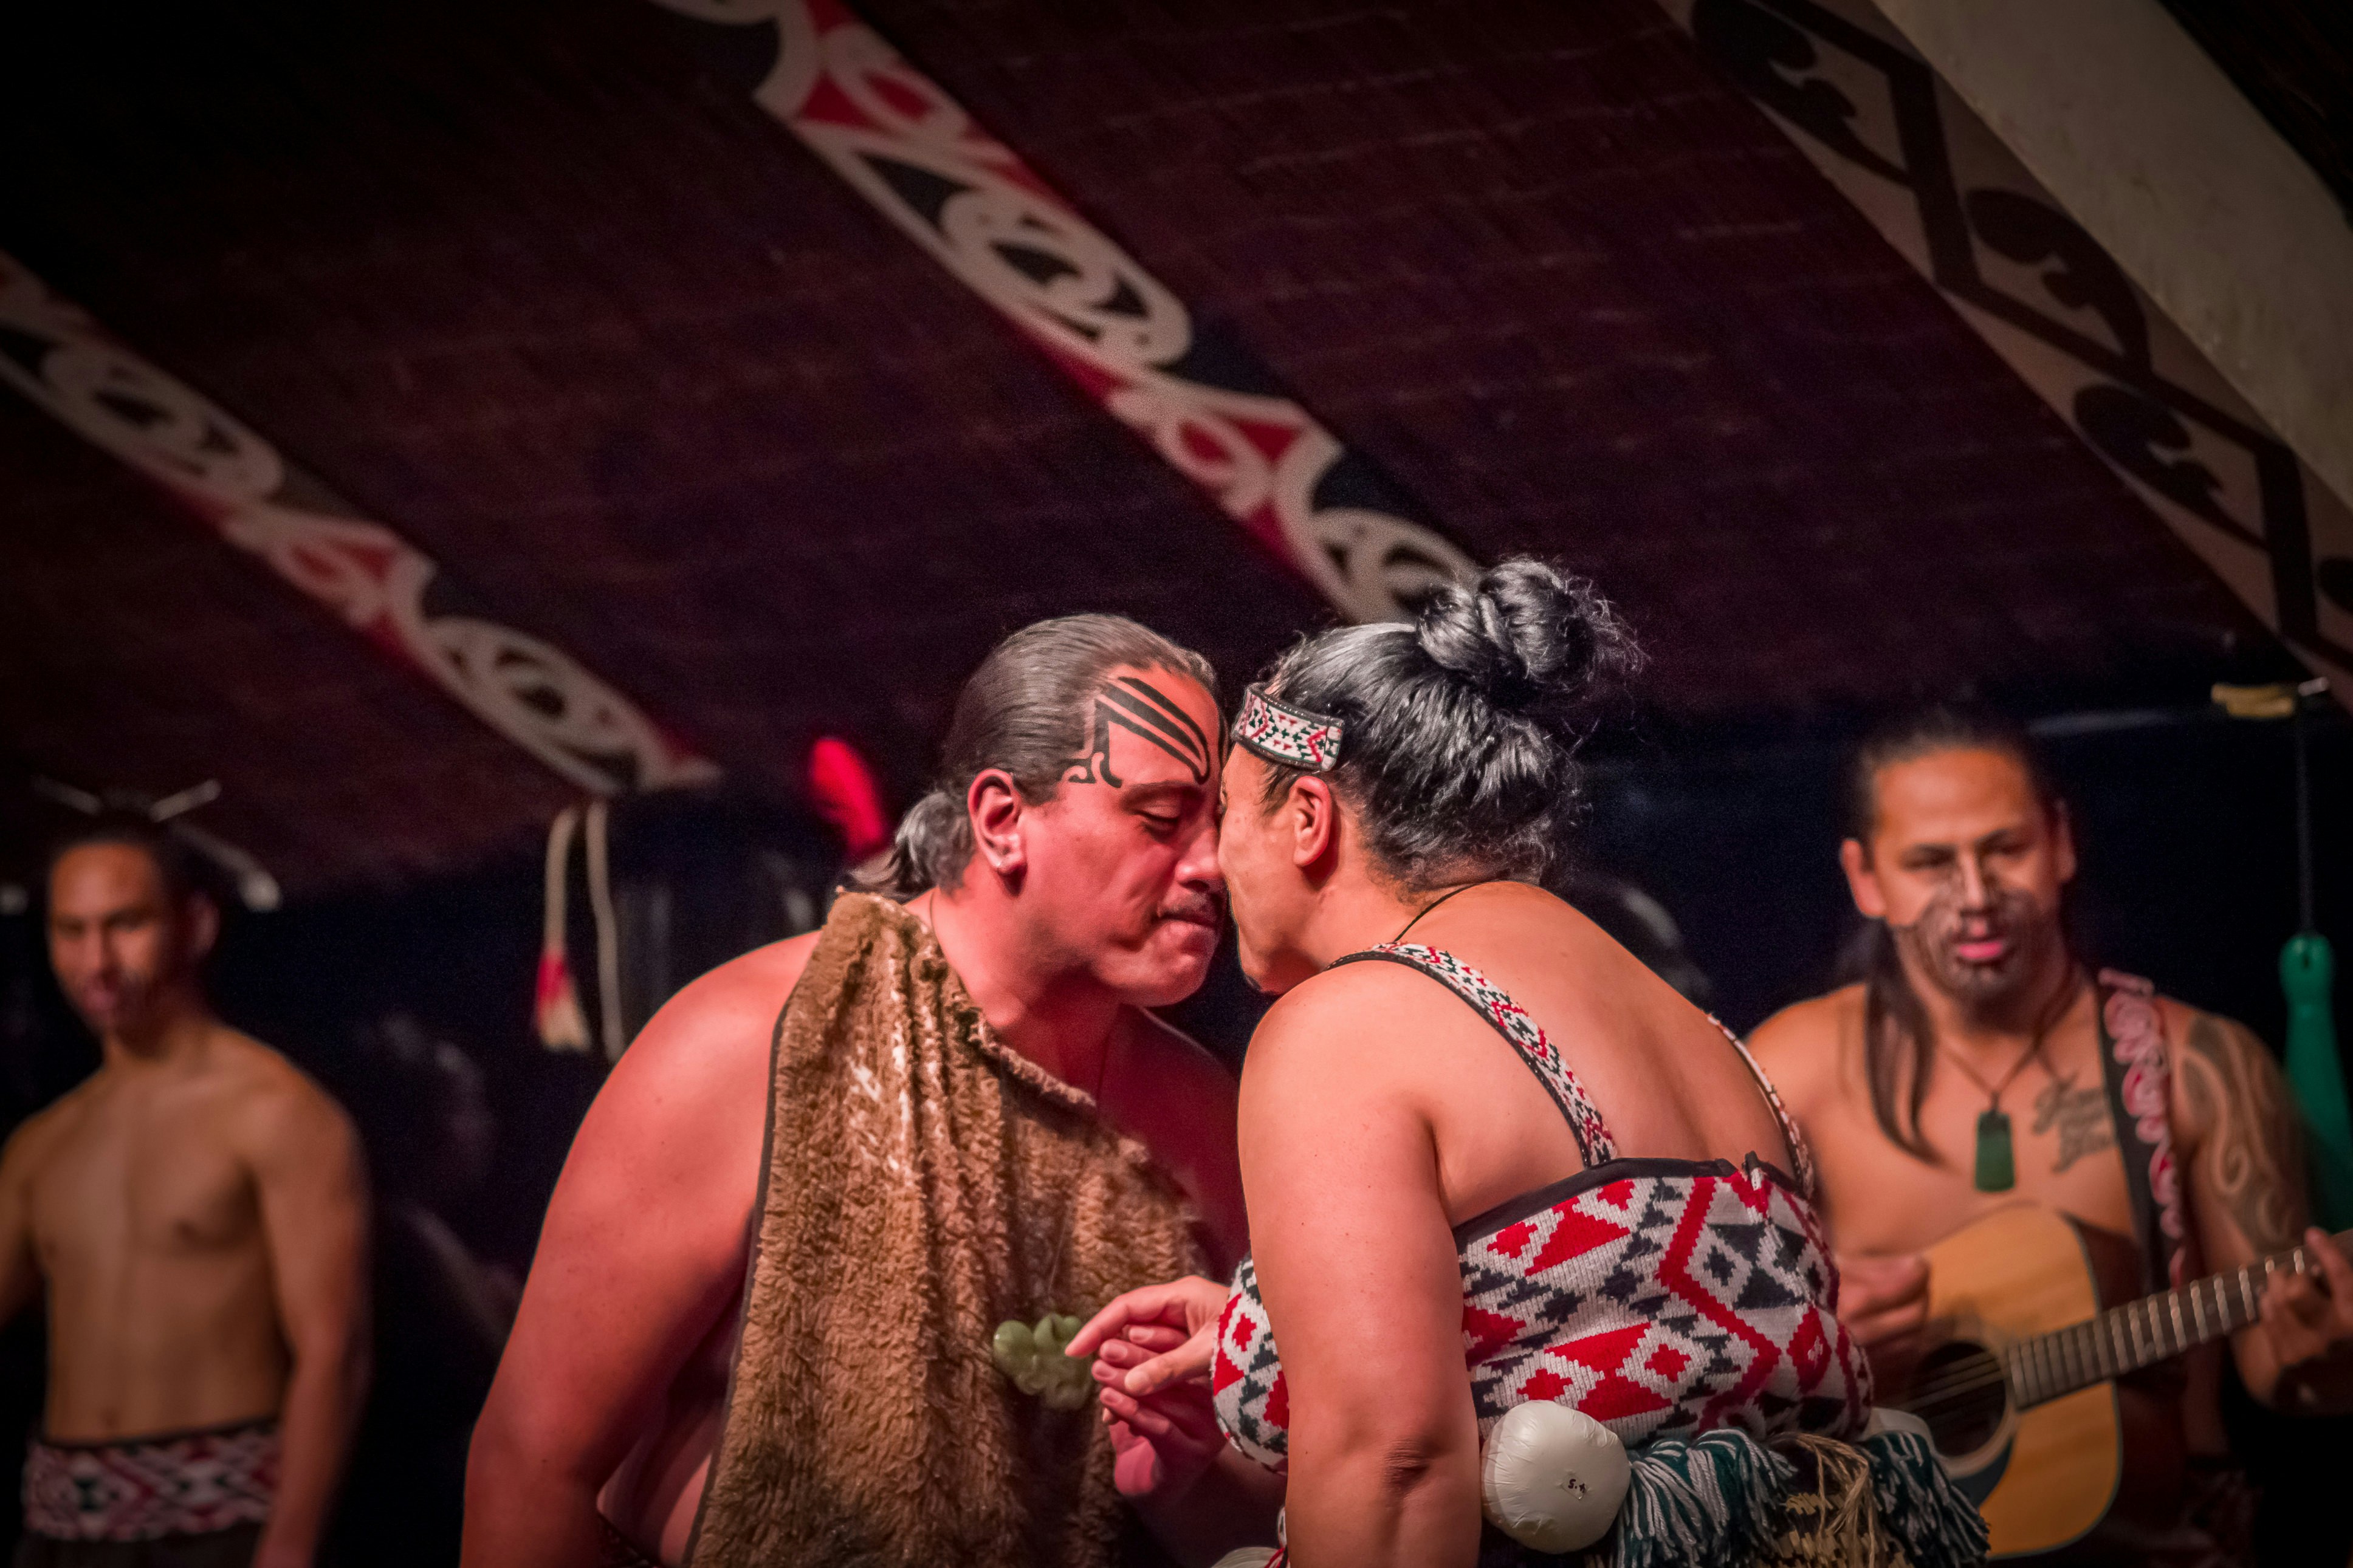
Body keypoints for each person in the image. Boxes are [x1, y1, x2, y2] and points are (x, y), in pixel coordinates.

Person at [1074, 561, 1977, 1568]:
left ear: (1306, 820)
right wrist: (1270, 1334)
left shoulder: (1345, 1022)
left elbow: (1396, 1461)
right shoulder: (1695, 1034)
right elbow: (1617, 1313)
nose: (1207, 863)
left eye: (1226, 814)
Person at [464, 615, 1261, 1568]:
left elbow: (1246, 1505)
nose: (1212, 865)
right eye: (1164, 820)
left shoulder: (1196, 1112)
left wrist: (1189, 1472)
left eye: (1220, 825)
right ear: (1003, 820)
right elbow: (532, 1461)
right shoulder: (756, 1044)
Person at [1750, 703, 2353, 1564]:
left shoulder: (2198, 1063)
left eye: (2004, 849)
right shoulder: (1789, 1071)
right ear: (1866, 878)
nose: (1975, 897)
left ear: (2061, 841)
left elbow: (2281, 1366)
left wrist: (2321, 1366)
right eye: (1930, 862)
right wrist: (1809, 1348)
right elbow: (1705, 1362)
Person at [0, 816, 369, 1568]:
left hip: (219, 1535)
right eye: (71, 931)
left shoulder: (276, 1112)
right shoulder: (42, 1145)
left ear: (194, 925)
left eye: (124, 924)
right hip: (61, 1535)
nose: (95, 960)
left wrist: (289, 1549)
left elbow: (335, 1350)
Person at [334, 1015, 517, 1568]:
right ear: (419, 1124)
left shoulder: (417, 1230)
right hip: (407, 1514)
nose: (486, 1125)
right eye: (468, 1106)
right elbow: (503, 1366)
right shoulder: (406, 1237)